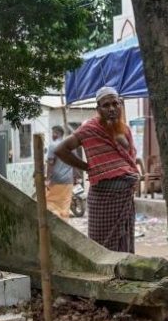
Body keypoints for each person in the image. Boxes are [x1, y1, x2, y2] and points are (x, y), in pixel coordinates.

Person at [55, 87, 139, 252]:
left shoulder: (125, 130)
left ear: (120, 105)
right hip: (102, 199)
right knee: (101, 246)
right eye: (106, 105)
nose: (111, 109)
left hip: (125, 197)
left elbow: (130, 159)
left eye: (115, 104)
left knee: (124, 242)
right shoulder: (89, 129)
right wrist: (87, 167)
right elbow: (61, 150)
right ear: (98, 109)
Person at [45, 126, 76, 219]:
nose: (52, 135)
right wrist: (74, 177)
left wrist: (48, 179)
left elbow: (50, 163)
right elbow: (75, 163)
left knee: (50, 203)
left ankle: (54, 223)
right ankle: (64, 223)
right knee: (65, 206)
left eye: (53, 133)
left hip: (56, 180)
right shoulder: (70, 146)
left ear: (56, 134)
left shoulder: (53, 145)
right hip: (68, 180)